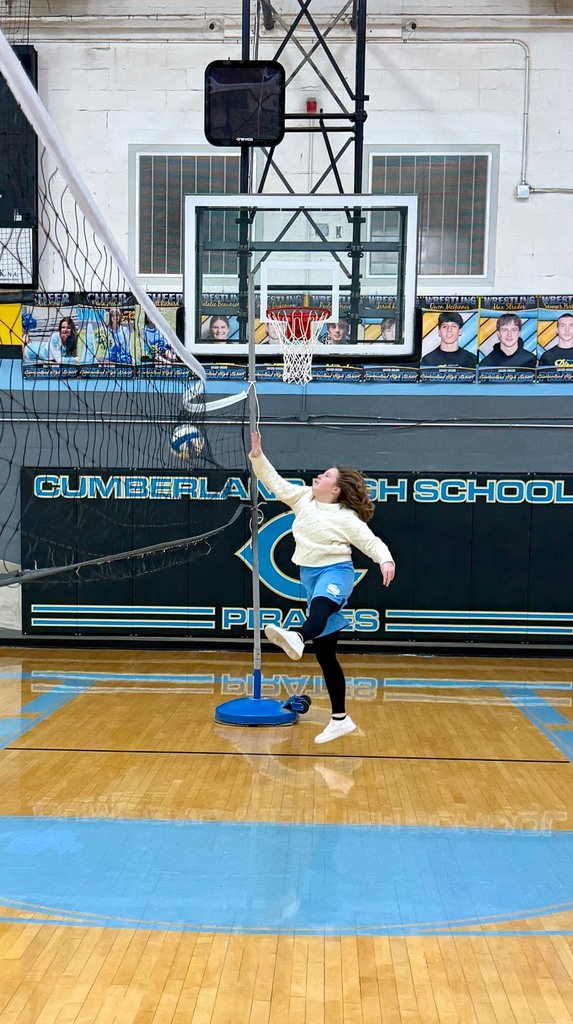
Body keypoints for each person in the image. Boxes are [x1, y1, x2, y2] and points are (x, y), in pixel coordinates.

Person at [249, 431, 395, 744]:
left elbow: (371, 542)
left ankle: (298, 636)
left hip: (336, 571)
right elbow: (273, 481)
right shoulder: (303, 497)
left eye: (326, 475)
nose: (319, 475)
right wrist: (258, 455)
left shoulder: (346, 518)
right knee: (327, 656)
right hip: (310, 576)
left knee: (319, 608)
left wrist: (386, 560)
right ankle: (340, 719)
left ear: (337, 489)